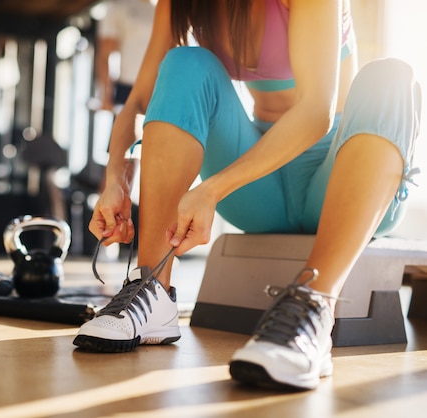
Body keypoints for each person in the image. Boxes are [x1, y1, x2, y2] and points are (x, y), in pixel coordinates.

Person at [73, 0, 422, 391]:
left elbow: (316, 112)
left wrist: (213, 189)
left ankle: (314, 308)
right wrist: (117, 180)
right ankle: (153, 289)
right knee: (184, 63)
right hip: (264, 190)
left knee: (391, 77)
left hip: (341, 178)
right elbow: (139, 103)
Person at [95, 0, 156, 112]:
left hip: (158, 89)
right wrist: (106, 95)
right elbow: (105, 55)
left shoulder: (160, 8)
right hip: (128, 89)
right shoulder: (117, 7)